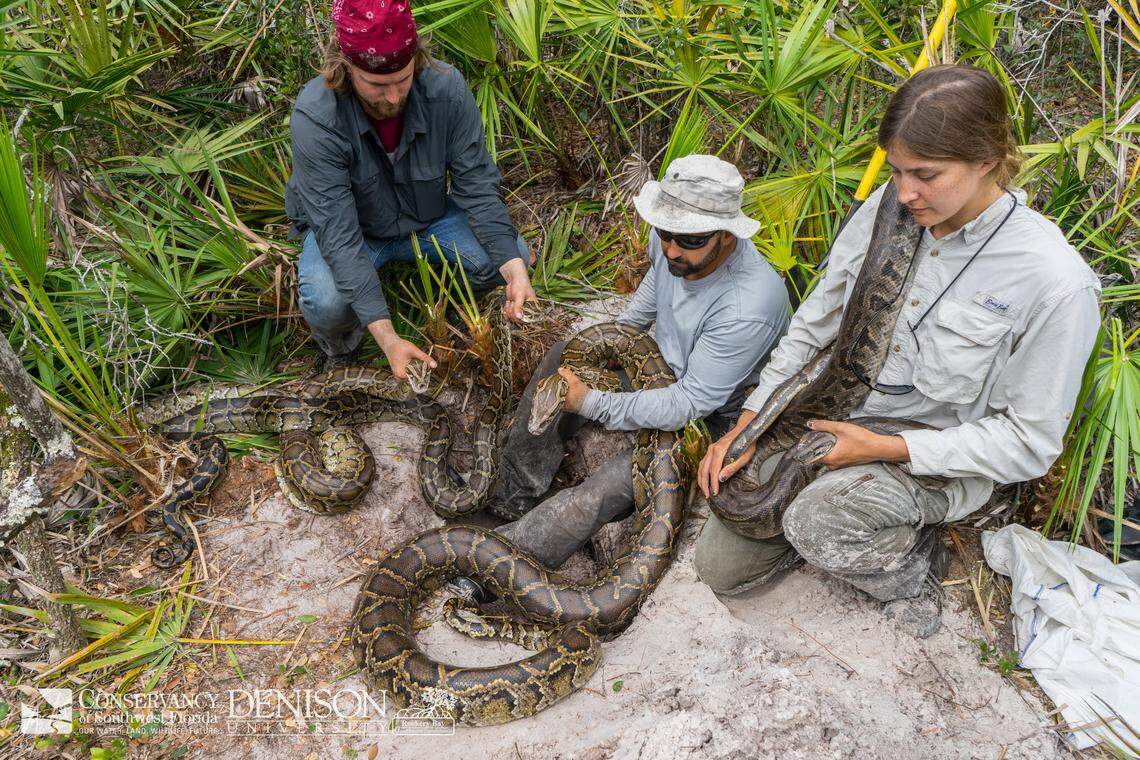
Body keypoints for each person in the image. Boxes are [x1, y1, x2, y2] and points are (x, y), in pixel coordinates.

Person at [694, 65, 1101, 638]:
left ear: (988, 160)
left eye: (926, 175)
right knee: (721, 570)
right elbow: (814, 328)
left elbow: (1029, 444)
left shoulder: (1053, 282)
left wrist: (880, 448)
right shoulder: (888, 212)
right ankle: (835, 510)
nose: (905, 193)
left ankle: (912, 566)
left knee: (819, 521)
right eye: (897, 170)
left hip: (930, 455)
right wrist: (752, 422)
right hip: (827, 421)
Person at [452, 155, 790, 600]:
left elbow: (688, 405)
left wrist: (590, 402)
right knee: (561, 358)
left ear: (727, 236)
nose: (670, 249)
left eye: (687, 239)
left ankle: (494, 569)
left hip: (709, 421)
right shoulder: (674, 250)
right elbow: (643, 307)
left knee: (605, 489)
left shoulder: (750, 303)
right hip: (658, 373)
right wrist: (601, 350)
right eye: (665, 232)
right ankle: (509, 498)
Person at [285, 0, 536, 377]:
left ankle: (446, 304)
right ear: (345, 66)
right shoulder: (316, 117)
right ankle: (343, 348)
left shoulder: (446, 88)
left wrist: (516, 271)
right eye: (377, 85)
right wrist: (387, 338)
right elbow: (338, 237)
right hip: (358, 233)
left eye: (402, 80)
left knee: (511, 254)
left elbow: (478, 187)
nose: (393, 97)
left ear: (416, 60)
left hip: (427, 219)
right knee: (326, 302)